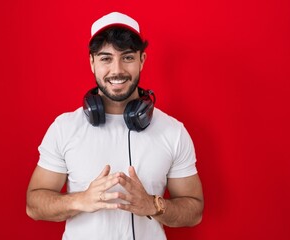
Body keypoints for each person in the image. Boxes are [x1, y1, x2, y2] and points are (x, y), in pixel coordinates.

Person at [26, 12, 204, 240]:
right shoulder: (64, 128)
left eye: (128, 57)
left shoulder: (173, 131)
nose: (117, 70)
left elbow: (194, 211)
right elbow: (34, 205)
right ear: (92, 62)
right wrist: (80, 200)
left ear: (142, 60)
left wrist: (152, 205)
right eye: (106, 58)